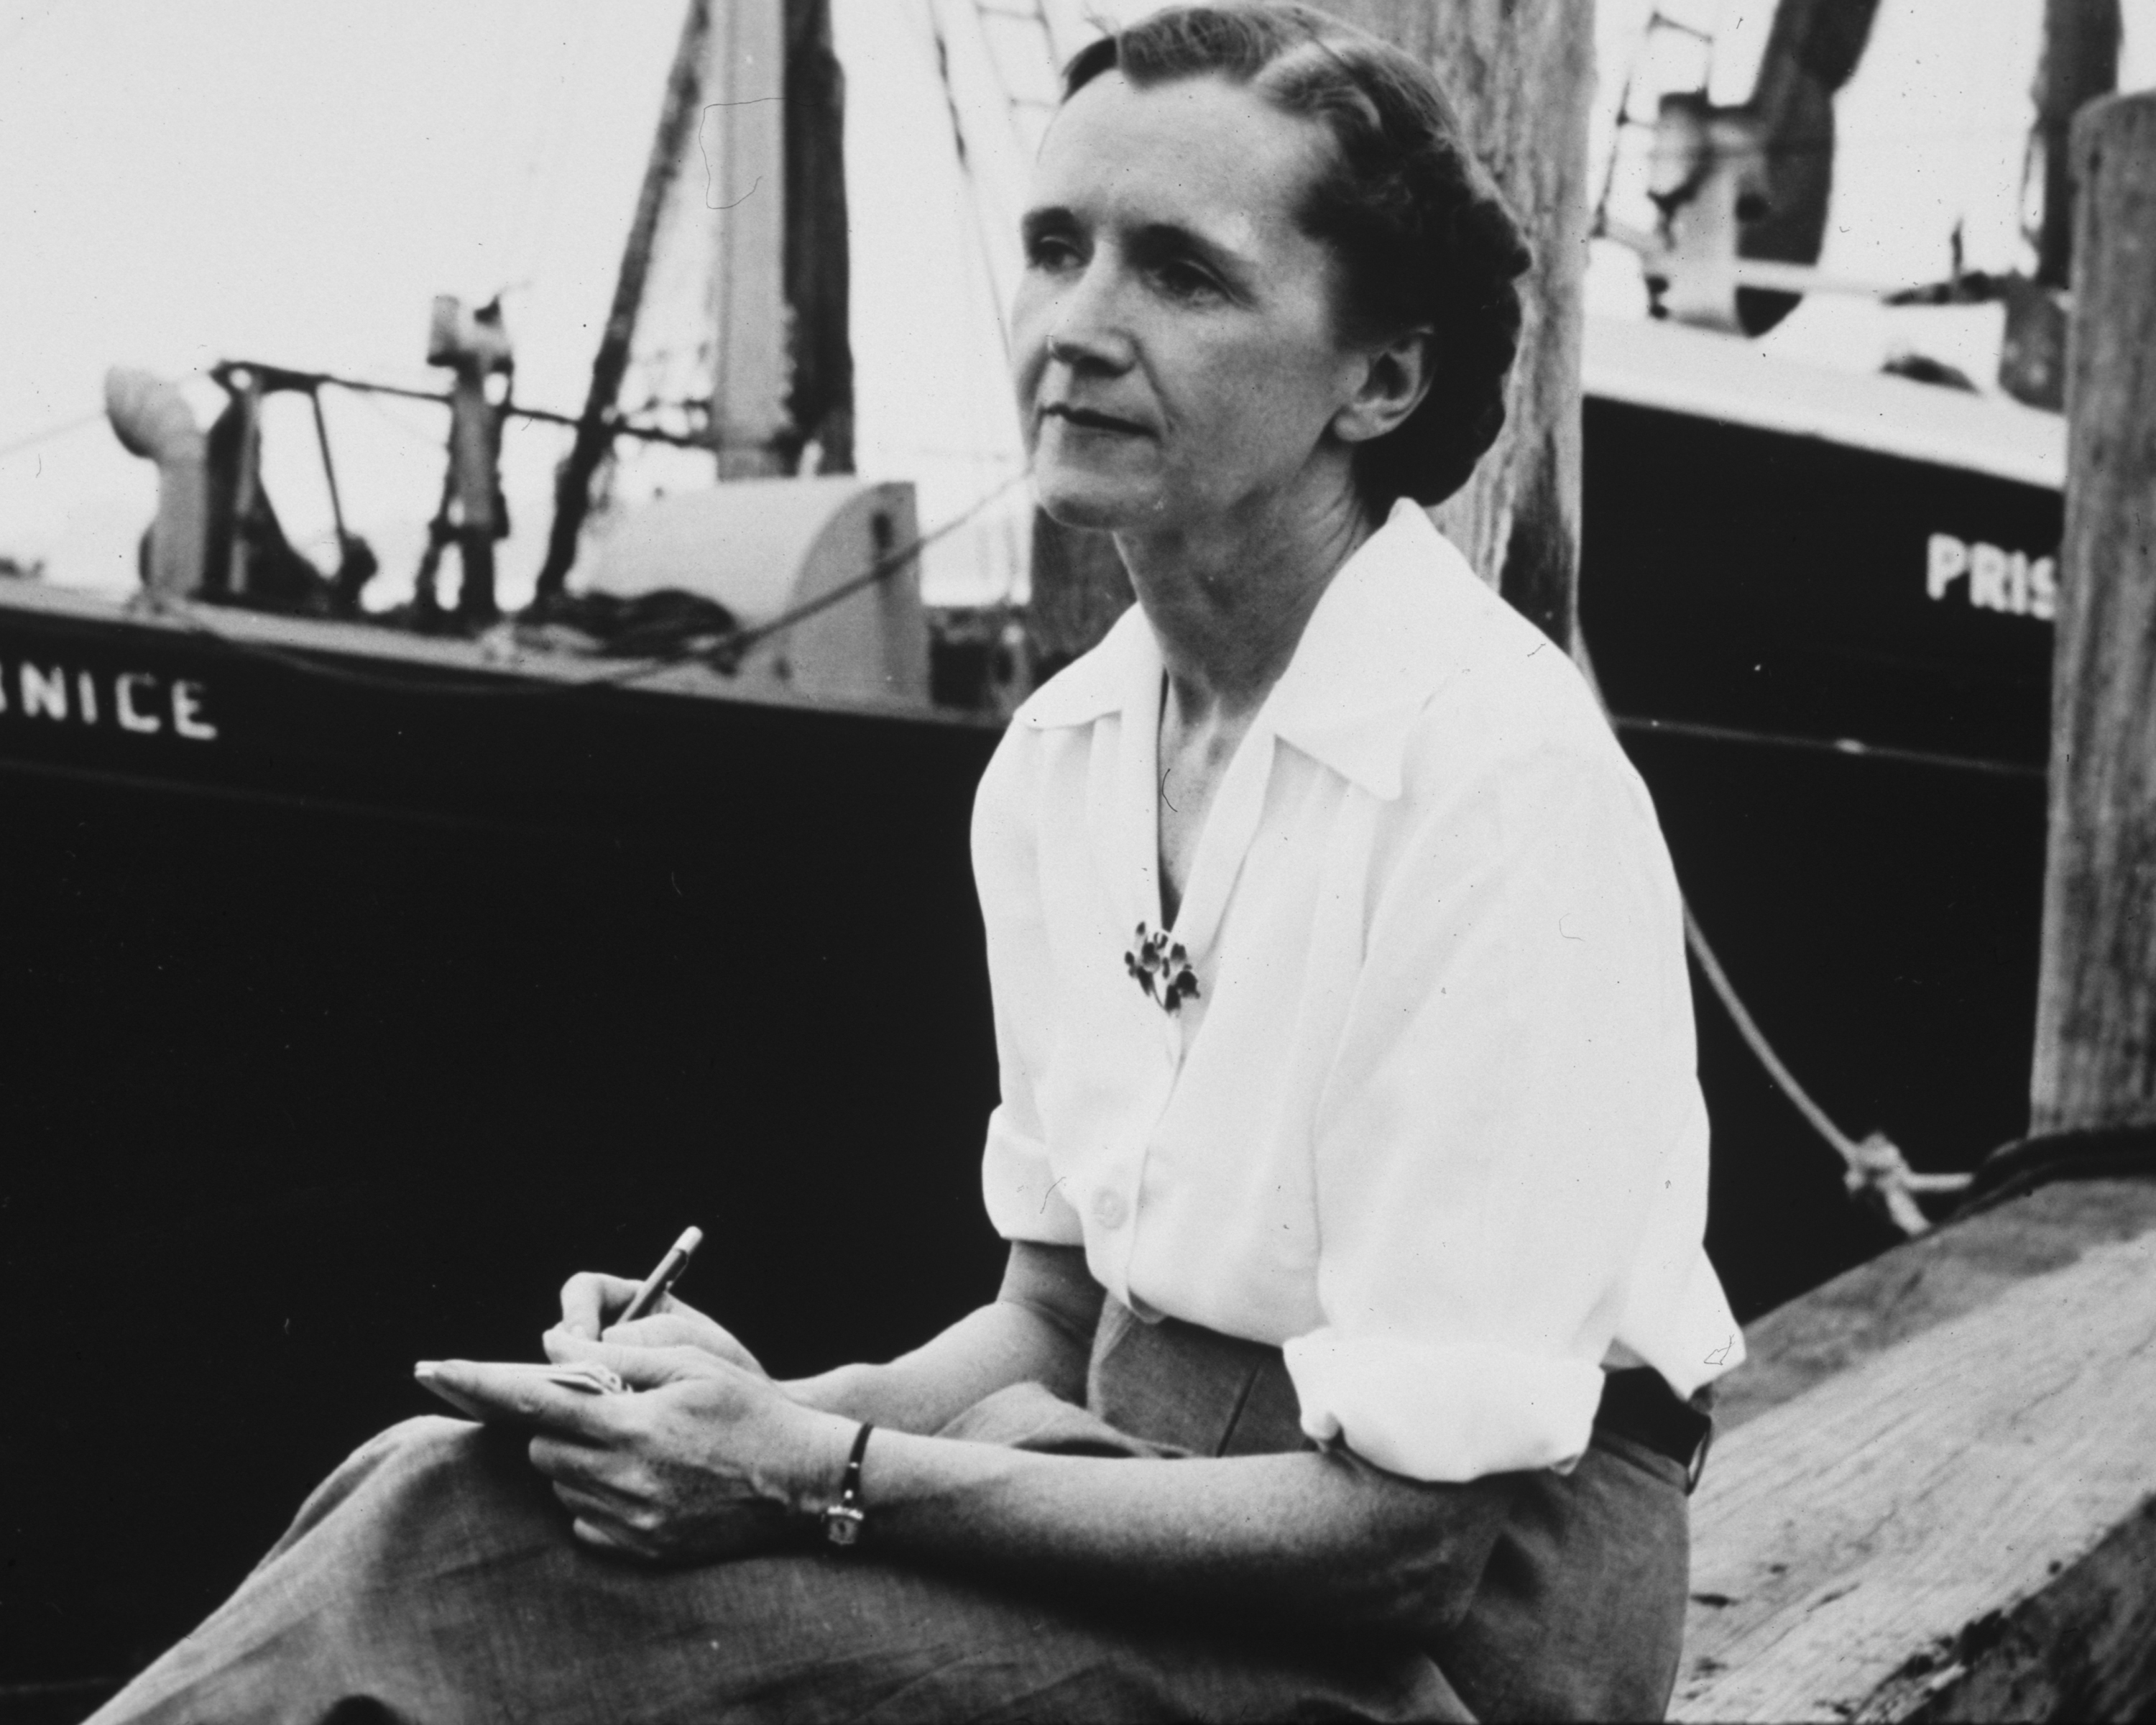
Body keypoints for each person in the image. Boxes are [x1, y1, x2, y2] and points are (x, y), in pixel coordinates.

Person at [91, 6, 1742, 1721]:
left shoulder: (1497, 782)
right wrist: (717, 1417)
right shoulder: (1065, 761)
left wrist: (806, 1465)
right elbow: (1045, 1318)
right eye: (1055, 249)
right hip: (1128, 1486)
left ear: (1380, 379)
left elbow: (1404, 1544)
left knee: (484, 1619)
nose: (1076, 330)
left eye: (1180, 274)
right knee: (443, 1492)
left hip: (1444, 1650)